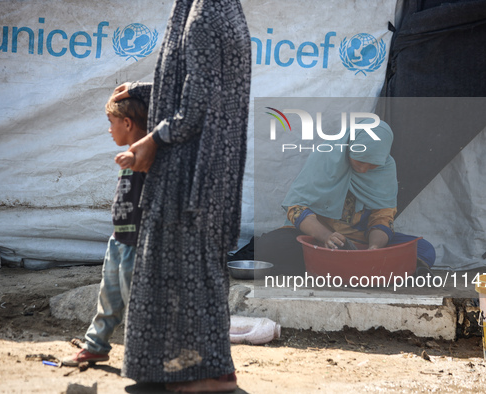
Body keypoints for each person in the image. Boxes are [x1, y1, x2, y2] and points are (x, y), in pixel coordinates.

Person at [111, 0, 251, 392]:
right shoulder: (208, 9)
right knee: (179, 269)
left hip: (194, 172)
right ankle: (178, 371)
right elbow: (197, 83)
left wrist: (152, 140)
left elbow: (198, 104)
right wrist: (143, 90)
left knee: (191, 273)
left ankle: (207, 377)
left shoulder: (208, 13)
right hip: (199, 168)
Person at [256, 120, 436, 276]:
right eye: (359, 160)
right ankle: (369, 270)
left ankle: (343, 266)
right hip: (317, 237)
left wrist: (374, 249)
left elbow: (382, 217)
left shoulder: (386, 169)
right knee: (268, 246)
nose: (364, 170)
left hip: (361, 243)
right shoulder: (325, 157)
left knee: (424, 249)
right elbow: (296, 208)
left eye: (372, 165)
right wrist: (326, 236)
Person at [63, 95, 148, 366]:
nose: (109, 129)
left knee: (136, 303)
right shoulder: (131, 155)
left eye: (111, 122)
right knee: (108, 298)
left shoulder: (146, 155)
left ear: (127, 122)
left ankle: (146, 358)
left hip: (136, 242)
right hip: (119, 239)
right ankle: (95, 345)